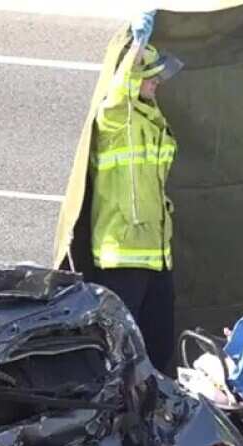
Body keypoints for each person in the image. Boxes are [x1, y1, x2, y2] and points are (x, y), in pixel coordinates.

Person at [89, 11, 183, 372]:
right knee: (120, 354)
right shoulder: (117, 119)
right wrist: (137, 45)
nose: (158, 81)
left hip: (156, 254)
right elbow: (119, 91)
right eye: (151, 76)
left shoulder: (152, 120)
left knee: (159, 349)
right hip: (122, 255)